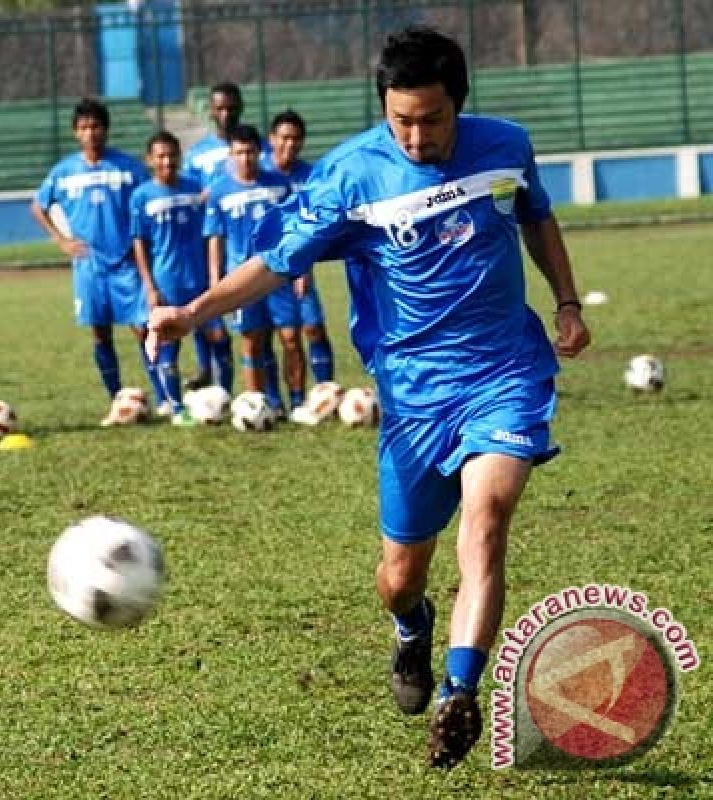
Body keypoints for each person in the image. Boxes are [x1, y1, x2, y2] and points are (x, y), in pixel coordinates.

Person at [147, 26, 590, 769]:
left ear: (460, 105)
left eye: (432, 119)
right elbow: (272, 262)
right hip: (412, 400)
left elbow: (536, 216)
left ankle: (459, 692)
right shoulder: (351, 176)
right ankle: (412, 631)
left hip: (504, 373)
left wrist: (568, 301)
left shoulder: (506, 146)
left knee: (487, 518)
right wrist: (192, 313)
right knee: (398, 578)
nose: (416, 135)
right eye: (400, 120)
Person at [30, 98, 167, 425]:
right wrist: (61, 240)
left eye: (96, 126)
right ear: (76, 133)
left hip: (125, 262)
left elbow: (147, 203)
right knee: (100, 334)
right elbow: (38, 206)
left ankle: (164, 397)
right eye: (84, 127)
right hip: (89, 266)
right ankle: (116, 398)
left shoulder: (128, 167)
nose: (91, 133)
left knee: (144, 329)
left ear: (106, 130)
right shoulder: (64, 172)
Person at [130, 131, 233, 426]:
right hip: (167, 281)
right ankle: (176, 409)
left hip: (199, 280)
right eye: (160, 156)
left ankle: (222, 399)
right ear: (150, 160)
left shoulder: (196, 189)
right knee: (168, 345)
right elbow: (140, 244)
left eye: (172, 155)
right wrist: (150, 287)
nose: (167, 161)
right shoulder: (142, 196)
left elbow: (211, 229)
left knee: (220, 339)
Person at [202, 124, 303, 414]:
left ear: (260, 152)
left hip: (279, 274)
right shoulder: (220, 190)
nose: (245, 158)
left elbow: (294, 232)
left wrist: (301, 271)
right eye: (240, 152)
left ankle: (296, 403)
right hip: (241, 279)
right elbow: (214, 239)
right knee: (251, 342)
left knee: (290, 338)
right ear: (231, 155)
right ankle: (256, 405)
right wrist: (214, 280)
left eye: (250, 151)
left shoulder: (278, 185)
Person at [262, 109, 336, 387]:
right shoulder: (262, 177)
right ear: (272, 139)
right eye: (284, 138)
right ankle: (281, 400)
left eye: (296, 139)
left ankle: (325, 391)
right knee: (277, 336)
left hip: (302, 268)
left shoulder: (311, 176)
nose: (290, 144)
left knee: (314, 328)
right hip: (266, 269)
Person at [181, 81, 245, 391]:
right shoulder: (196, 155)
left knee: (245, 317)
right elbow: (188, 197)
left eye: (231, 108)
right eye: (220, 108)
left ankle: (252, 388)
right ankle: (206, 368)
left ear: (240, 108)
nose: (226, 114)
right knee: (205, 307)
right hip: (205, 241)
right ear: (211, 111)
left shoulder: (252, 147)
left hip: (242, 241)